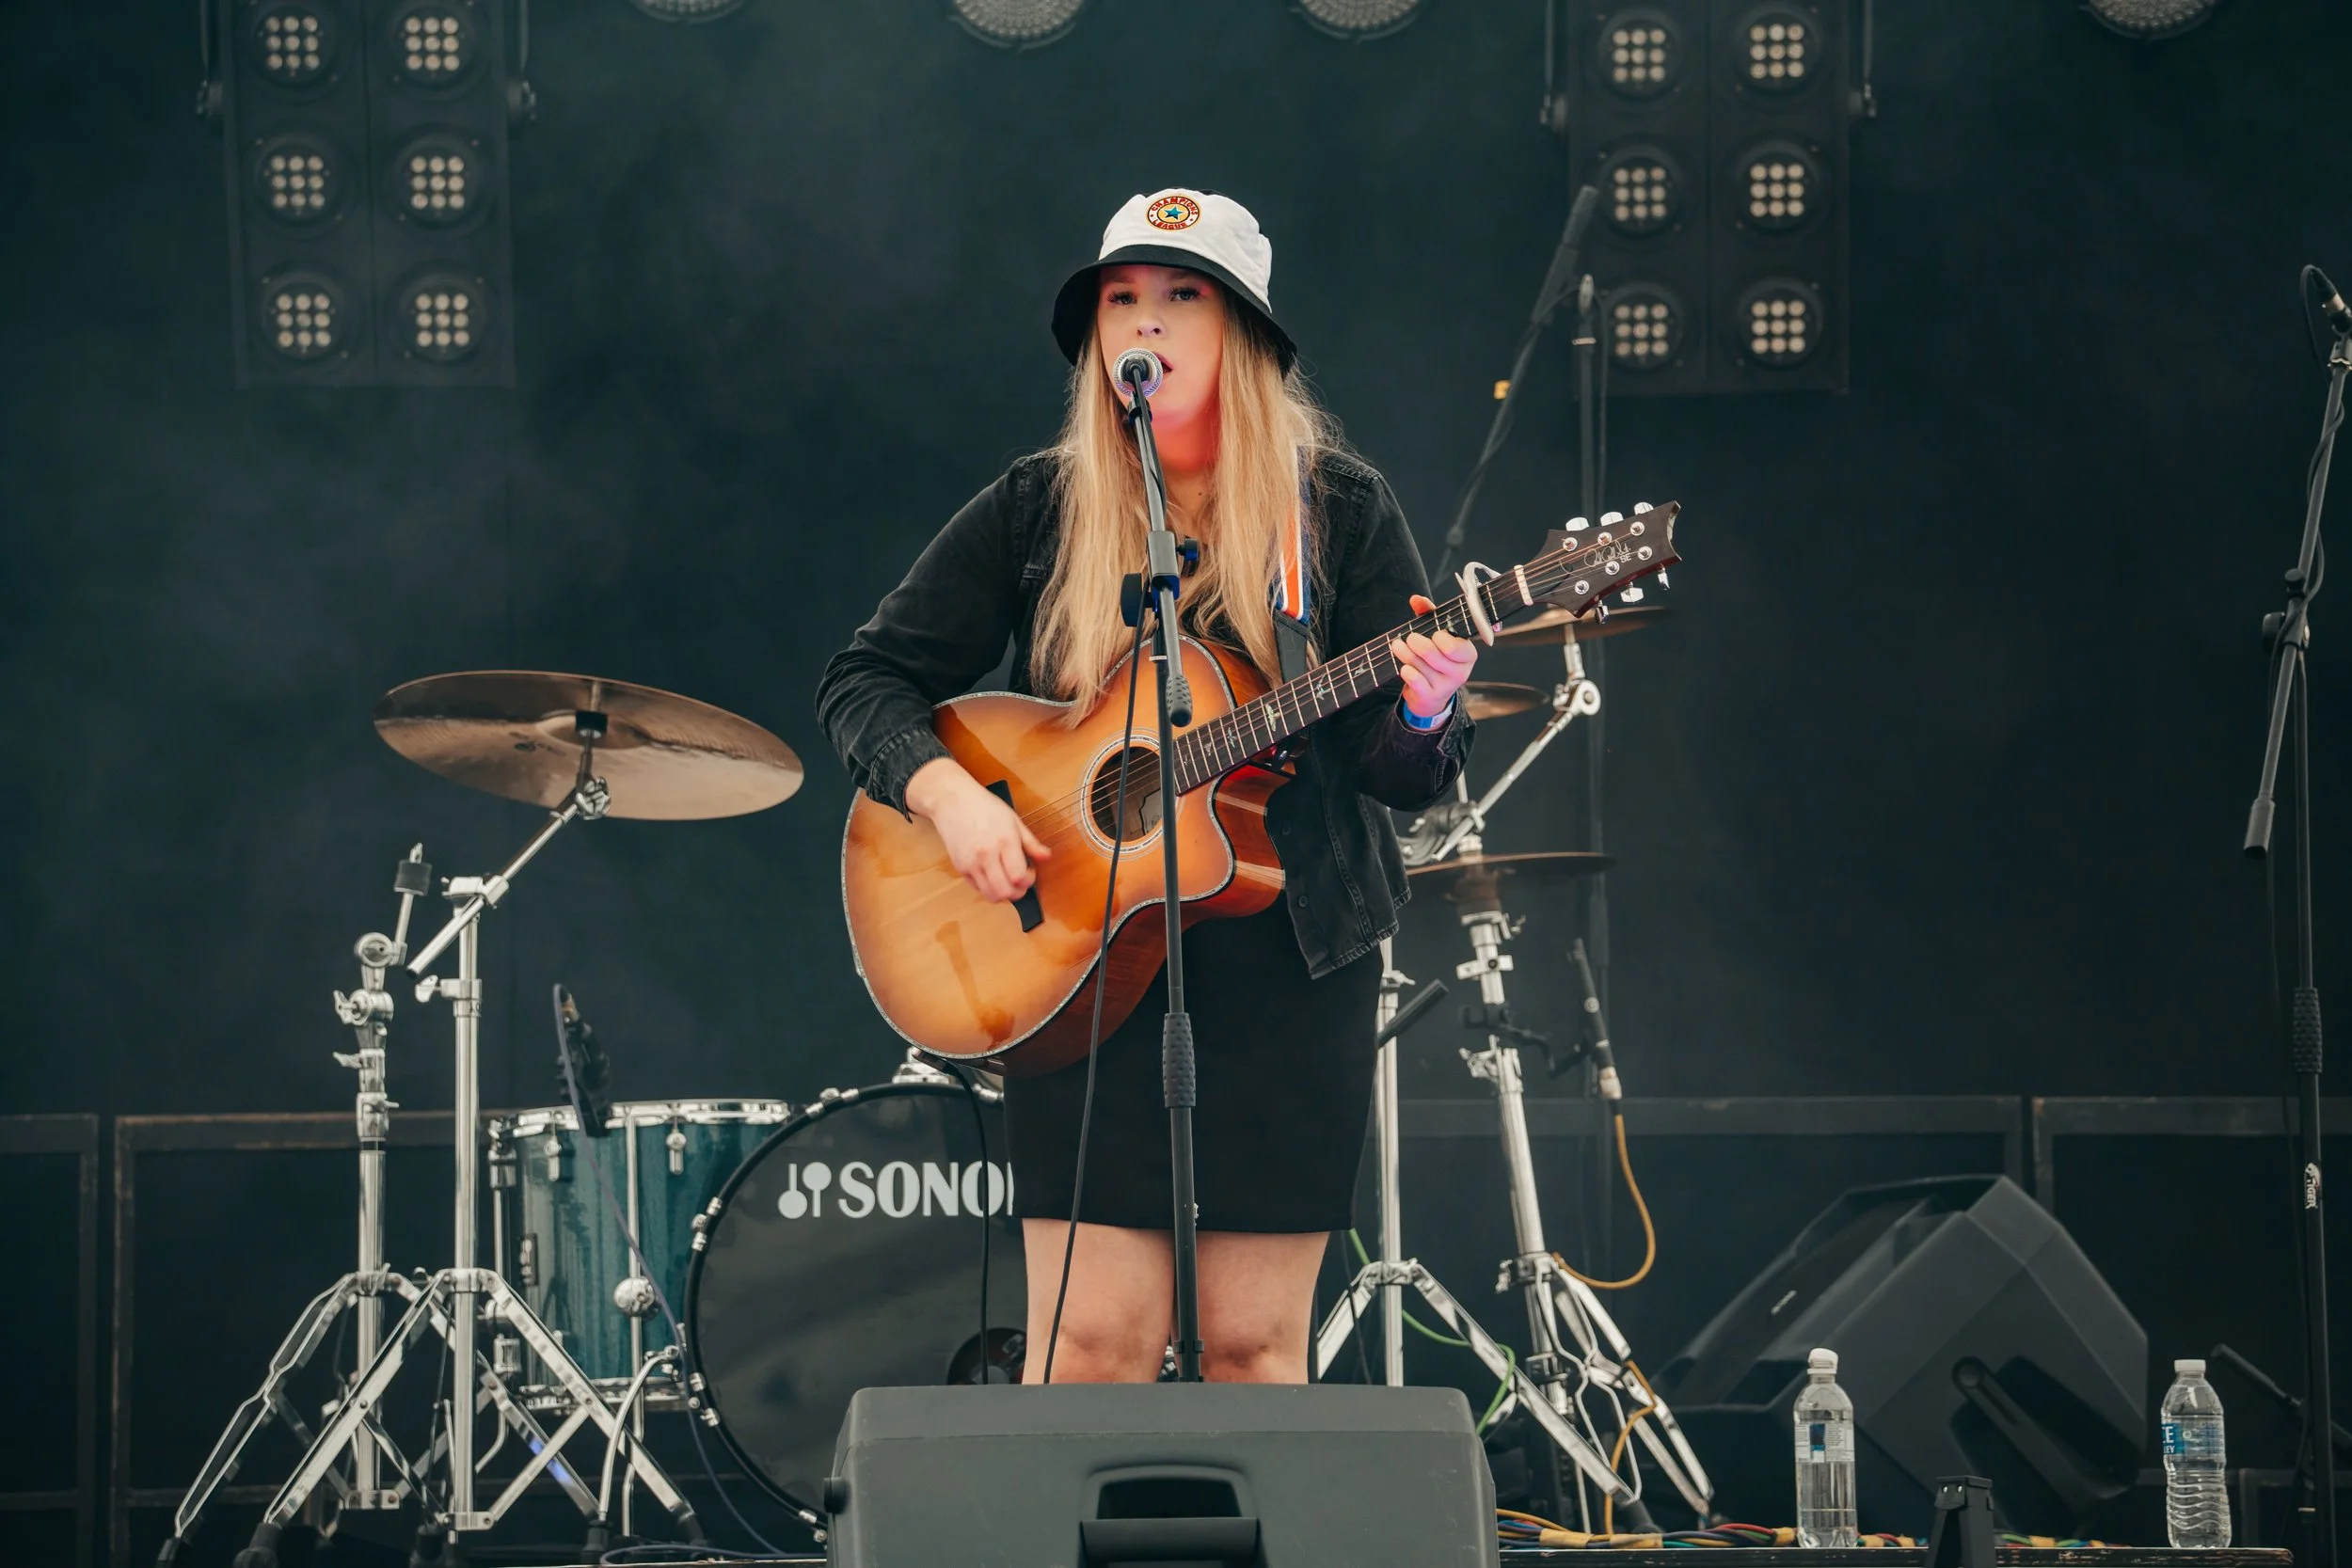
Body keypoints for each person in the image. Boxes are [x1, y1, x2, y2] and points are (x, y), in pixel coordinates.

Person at [816, 188, 1478, 1385]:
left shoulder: (1334, 510)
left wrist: (1427, 703)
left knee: (1253, 1344)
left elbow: (1399, 773)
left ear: (1246, 340)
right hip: (1071, 954)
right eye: (1123, 300)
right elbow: (868, 676)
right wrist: (948, 796)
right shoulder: (1040, 505)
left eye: (1183, 298)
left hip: (1291, 959)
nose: (1147, 324)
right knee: (1089, 1341)